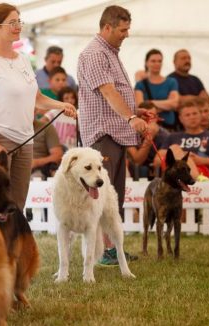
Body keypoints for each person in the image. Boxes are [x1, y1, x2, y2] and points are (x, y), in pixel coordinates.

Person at [0, 3, 76, 211]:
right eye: (12, 22)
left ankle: (13, 243)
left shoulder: (23, 60)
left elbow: (36, 98)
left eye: (19, 21)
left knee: (16, 205)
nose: (18, 26)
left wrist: (61, 104)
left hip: (25, 141)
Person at [78, 5, 154, 266]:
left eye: (128, 29)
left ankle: (110, 250)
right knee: (100, 197)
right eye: (123, 30)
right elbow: (109, 92)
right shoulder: (95, 53)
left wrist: (134, 110)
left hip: (115, 133)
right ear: (107, 27)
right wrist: (131, 118)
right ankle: (100, 252)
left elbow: (115, 94)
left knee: (113, 197)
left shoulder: (109, 52)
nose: (126, 34)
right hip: (103, 136)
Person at [162, 100, 209, 179]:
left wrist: (201, 160)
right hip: (176, 173)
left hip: (204, 171)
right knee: (175, 148)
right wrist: (181, 155)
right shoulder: (172, 137)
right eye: (187, 115)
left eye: (195, 113)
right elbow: (157, 160)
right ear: (180, 119)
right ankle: (195, 179)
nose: (192, 117)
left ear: (200, 115)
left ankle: (194, 178)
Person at [134, 49, 179, 130]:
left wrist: (150, 102)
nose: (157, 64)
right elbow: (140, 106)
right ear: (146, 62)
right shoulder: (140, 84)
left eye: (159, 61)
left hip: (168, 126)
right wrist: (165, 105)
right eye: (153, 61)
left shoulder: (171, 81)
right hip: (148, 127)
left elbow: (174, 104)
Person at [126, 101, 169, 179]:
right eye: (146, 116)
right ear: (138, 118)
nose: (149, 120)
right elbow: (137, 161)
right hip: (135, 174)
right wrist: (149, 138)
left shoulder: (165, 135)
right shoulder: (128, 133)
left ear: (157, 118)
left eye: (152, 116)